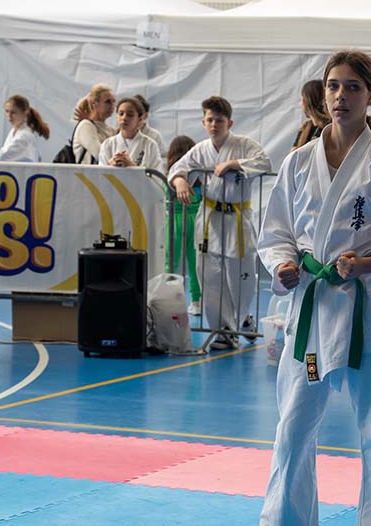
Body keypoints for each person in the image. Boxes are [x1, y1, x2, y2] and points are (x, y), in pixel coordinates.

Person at [226, 50, 371, 526]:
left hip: (370, 310)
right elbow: (276, 232)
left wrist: (366, 263)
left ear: (370, 95)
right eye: (333, 86)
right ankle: (279, 523)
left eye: (353, 87)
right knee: (294, 418)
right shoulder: (298, 162)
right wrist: (283, 265)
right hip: (313, 308)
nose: (341, 96)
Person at [168, 96, 271, 349]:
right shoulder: (200, 150)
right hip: (210, 219)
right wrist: (180, 181)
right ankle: (223, 331)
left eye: (220, 120)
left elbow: (264, 162)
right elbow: (178, 168)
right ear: (204, 122)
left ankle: (241, 319)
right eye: (210, 120)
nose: (214, 124)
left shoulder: (245, 145)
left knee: (241, 277)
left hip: (237, 218)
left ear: (229, 122)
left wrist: (233, 163)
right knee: (210, 277)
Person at [167, 135, 202, 316]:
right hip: (195, 220)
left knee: (170, 263)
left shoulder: (170, 176)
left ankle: (169, 300)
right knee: (195, 263)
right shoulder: (199, 177)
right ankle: (196, 302)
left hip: (174, 220)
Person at [98, 97, 163, 171]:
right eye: (121, 114)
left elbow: (157, 175)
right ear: (117, 116)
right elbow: (99, 174)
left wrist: (132, 166)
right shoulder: (107, 144)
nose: (124, 118)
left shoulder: (150, 145)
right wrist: (109, 166)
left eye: (130, 115)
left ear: (140, 118)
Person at [0, 95, 49, 163]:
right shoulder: (14, 131)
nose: (9, 116)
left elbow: (3, 155)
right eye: (7, 111)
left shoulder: (25, 136)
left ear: (25, 112)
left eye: (13, 112)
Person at [72, 84, 116, 165]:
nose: (112, 106)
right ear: (94, 104)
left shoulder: (112, 130)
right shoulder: (85, 126)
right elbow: (100, 155)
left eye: (113, 101)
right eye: (107, 102)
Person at [291, 79, 330, 151]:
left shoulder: (329, 127)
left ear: (308, 101)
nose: (301, 104)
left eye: (302, 99)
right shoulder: (305, 127)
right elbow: (292, 154)